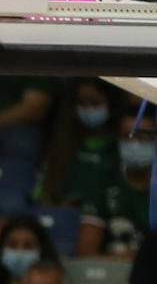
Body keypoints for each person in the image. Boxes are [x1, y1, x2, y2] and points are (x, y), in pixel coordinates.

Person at [77, 105, 156, 256]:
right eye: (127, 136)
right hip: (113, 271)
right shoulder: (104, 178)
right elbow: (86, 251)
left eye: (143, 136)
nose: (134, 144)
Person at [39, 78, 121, 210]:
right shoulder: (63, 142)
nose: (89, 108)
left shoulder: (121, 144)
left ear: (109, 101)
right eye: (82, 103)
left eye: (95, 102)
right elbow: (48, 188)